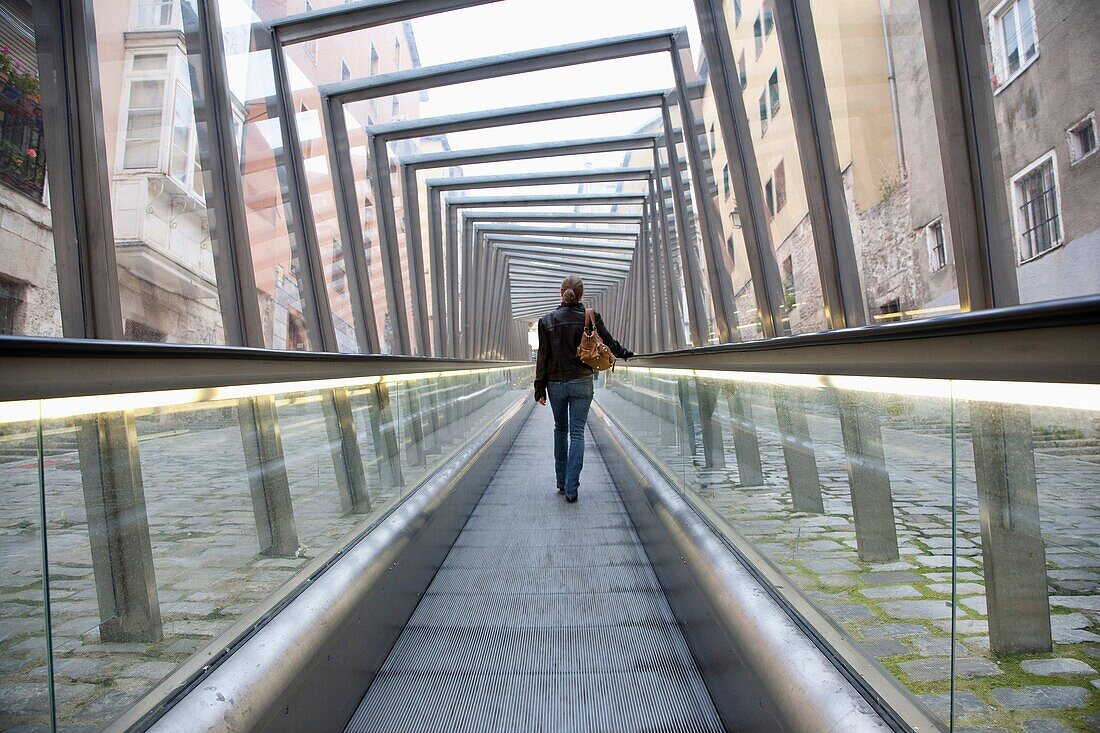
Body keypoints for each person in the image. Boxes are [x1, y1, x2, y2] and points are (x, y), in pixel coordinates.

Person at [533, 275, 634, 502]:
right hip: (581, 381)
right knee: (577, 432)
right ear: (581, 294)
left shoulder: (546, 320)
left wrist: (539, 388)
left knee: (560, 429)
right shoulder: (590, 316)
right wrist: (624, 353)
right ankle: (572, 488)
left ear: (562, 293)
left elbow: (543, 358)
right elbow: (608, 343)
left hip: (555, 383)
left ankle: (560, 481)